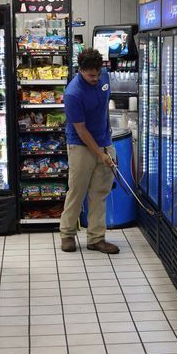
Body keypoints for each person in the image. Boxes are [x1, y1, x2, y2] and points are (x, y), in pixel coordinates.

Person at [60, 48, 119, 254]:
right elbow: (81, 130)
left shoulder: (104, 77)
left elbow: (104, 109)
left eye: (97, 74)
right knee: (77, 191)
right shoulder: (73, 93)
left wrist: (108, 147)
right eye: (90, 75)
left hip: (104, 141)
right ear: (81, 71)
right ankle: (67, 234)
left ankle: (96, 238)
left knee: (100, 193)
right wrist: (100, 154)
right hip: (80, 146)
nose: (95, 78)